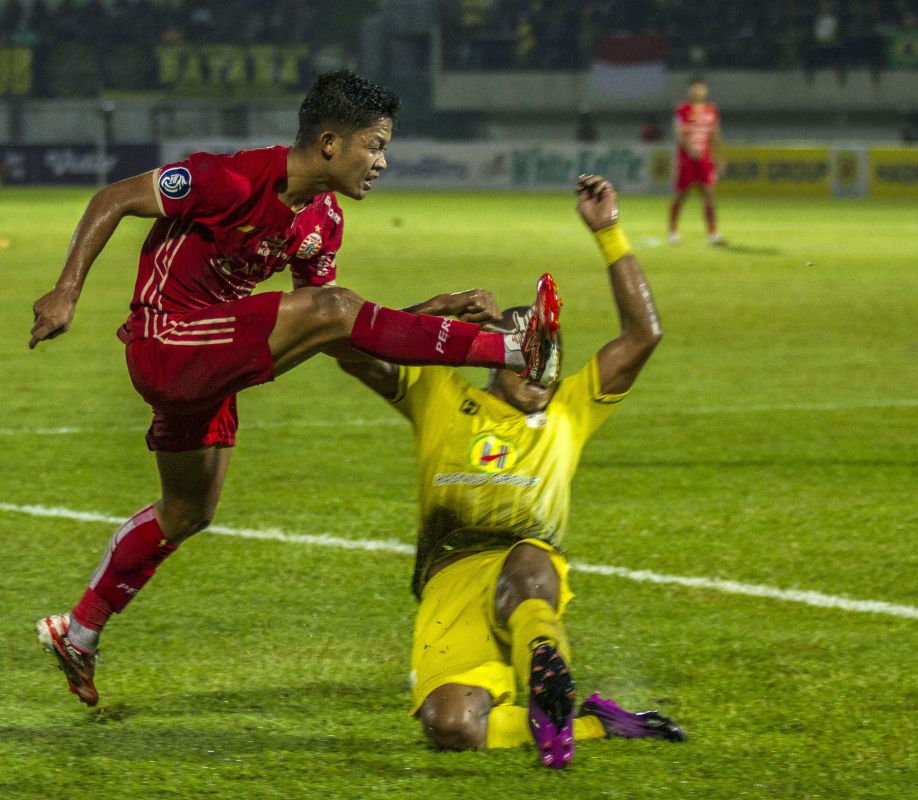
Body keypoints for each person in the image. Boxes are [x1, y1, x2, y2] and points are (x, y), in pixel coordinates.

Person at [30, 70, 560, 708]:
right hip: (166, 342)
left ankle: (79, 630)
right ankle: (513, 348)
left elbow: (336, 332)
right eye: (376, 144)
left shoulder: (323, 221)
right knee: (333, 308)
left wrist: (431, 317)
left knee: (188, 511)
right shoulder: (225, 179)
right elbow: (112, 198)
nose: (383, 162)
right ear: (331, 142)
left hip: (211, 361)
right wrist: (67, 290)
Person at [338, 175, 684, 769]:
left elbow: (643, 334)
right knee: (451, 728)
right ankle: (592, 724)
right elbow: (349, 343)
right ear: (493, 354)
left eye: (551, 356)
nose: (541, 371)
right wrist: (442, 310)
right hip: (450, 576)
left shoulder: (571, 410)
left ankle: (547, 664)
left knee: (527, 563)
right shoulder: (438, 392)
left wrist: (608, 233)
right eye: (526, 354)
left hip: (524, 569)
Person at [667, 76, 726, 246]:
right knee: (681, 195)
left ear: (706, 90)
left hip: (705, 159)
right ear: (689, 90)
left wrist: (720, 158)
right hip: (687, 159)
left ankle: (713, 233)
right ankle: (672, 231)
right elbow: (678, 134)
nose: (698, 91)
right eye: (694, 88)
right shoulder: (682, 110)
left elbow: (715, 135)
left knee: (709, 194)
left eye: (701, 88)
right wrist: (689, 148)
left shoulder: (711, 110)